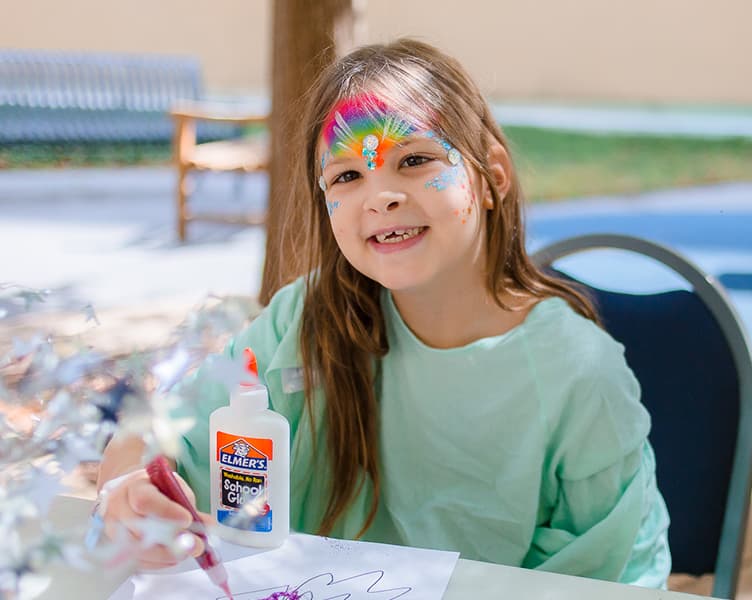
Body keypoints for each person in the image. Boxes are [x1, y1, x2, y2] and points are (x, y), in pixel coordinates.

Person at [97, 39, 671, 587]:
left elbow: (606, 579)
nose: (381, 195)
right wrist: (128, 491)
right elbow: (158, 439)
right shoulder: (304, 321)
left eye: (416, 159)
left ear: (492, 176)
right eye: (347, 175)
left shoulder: (580, 374)